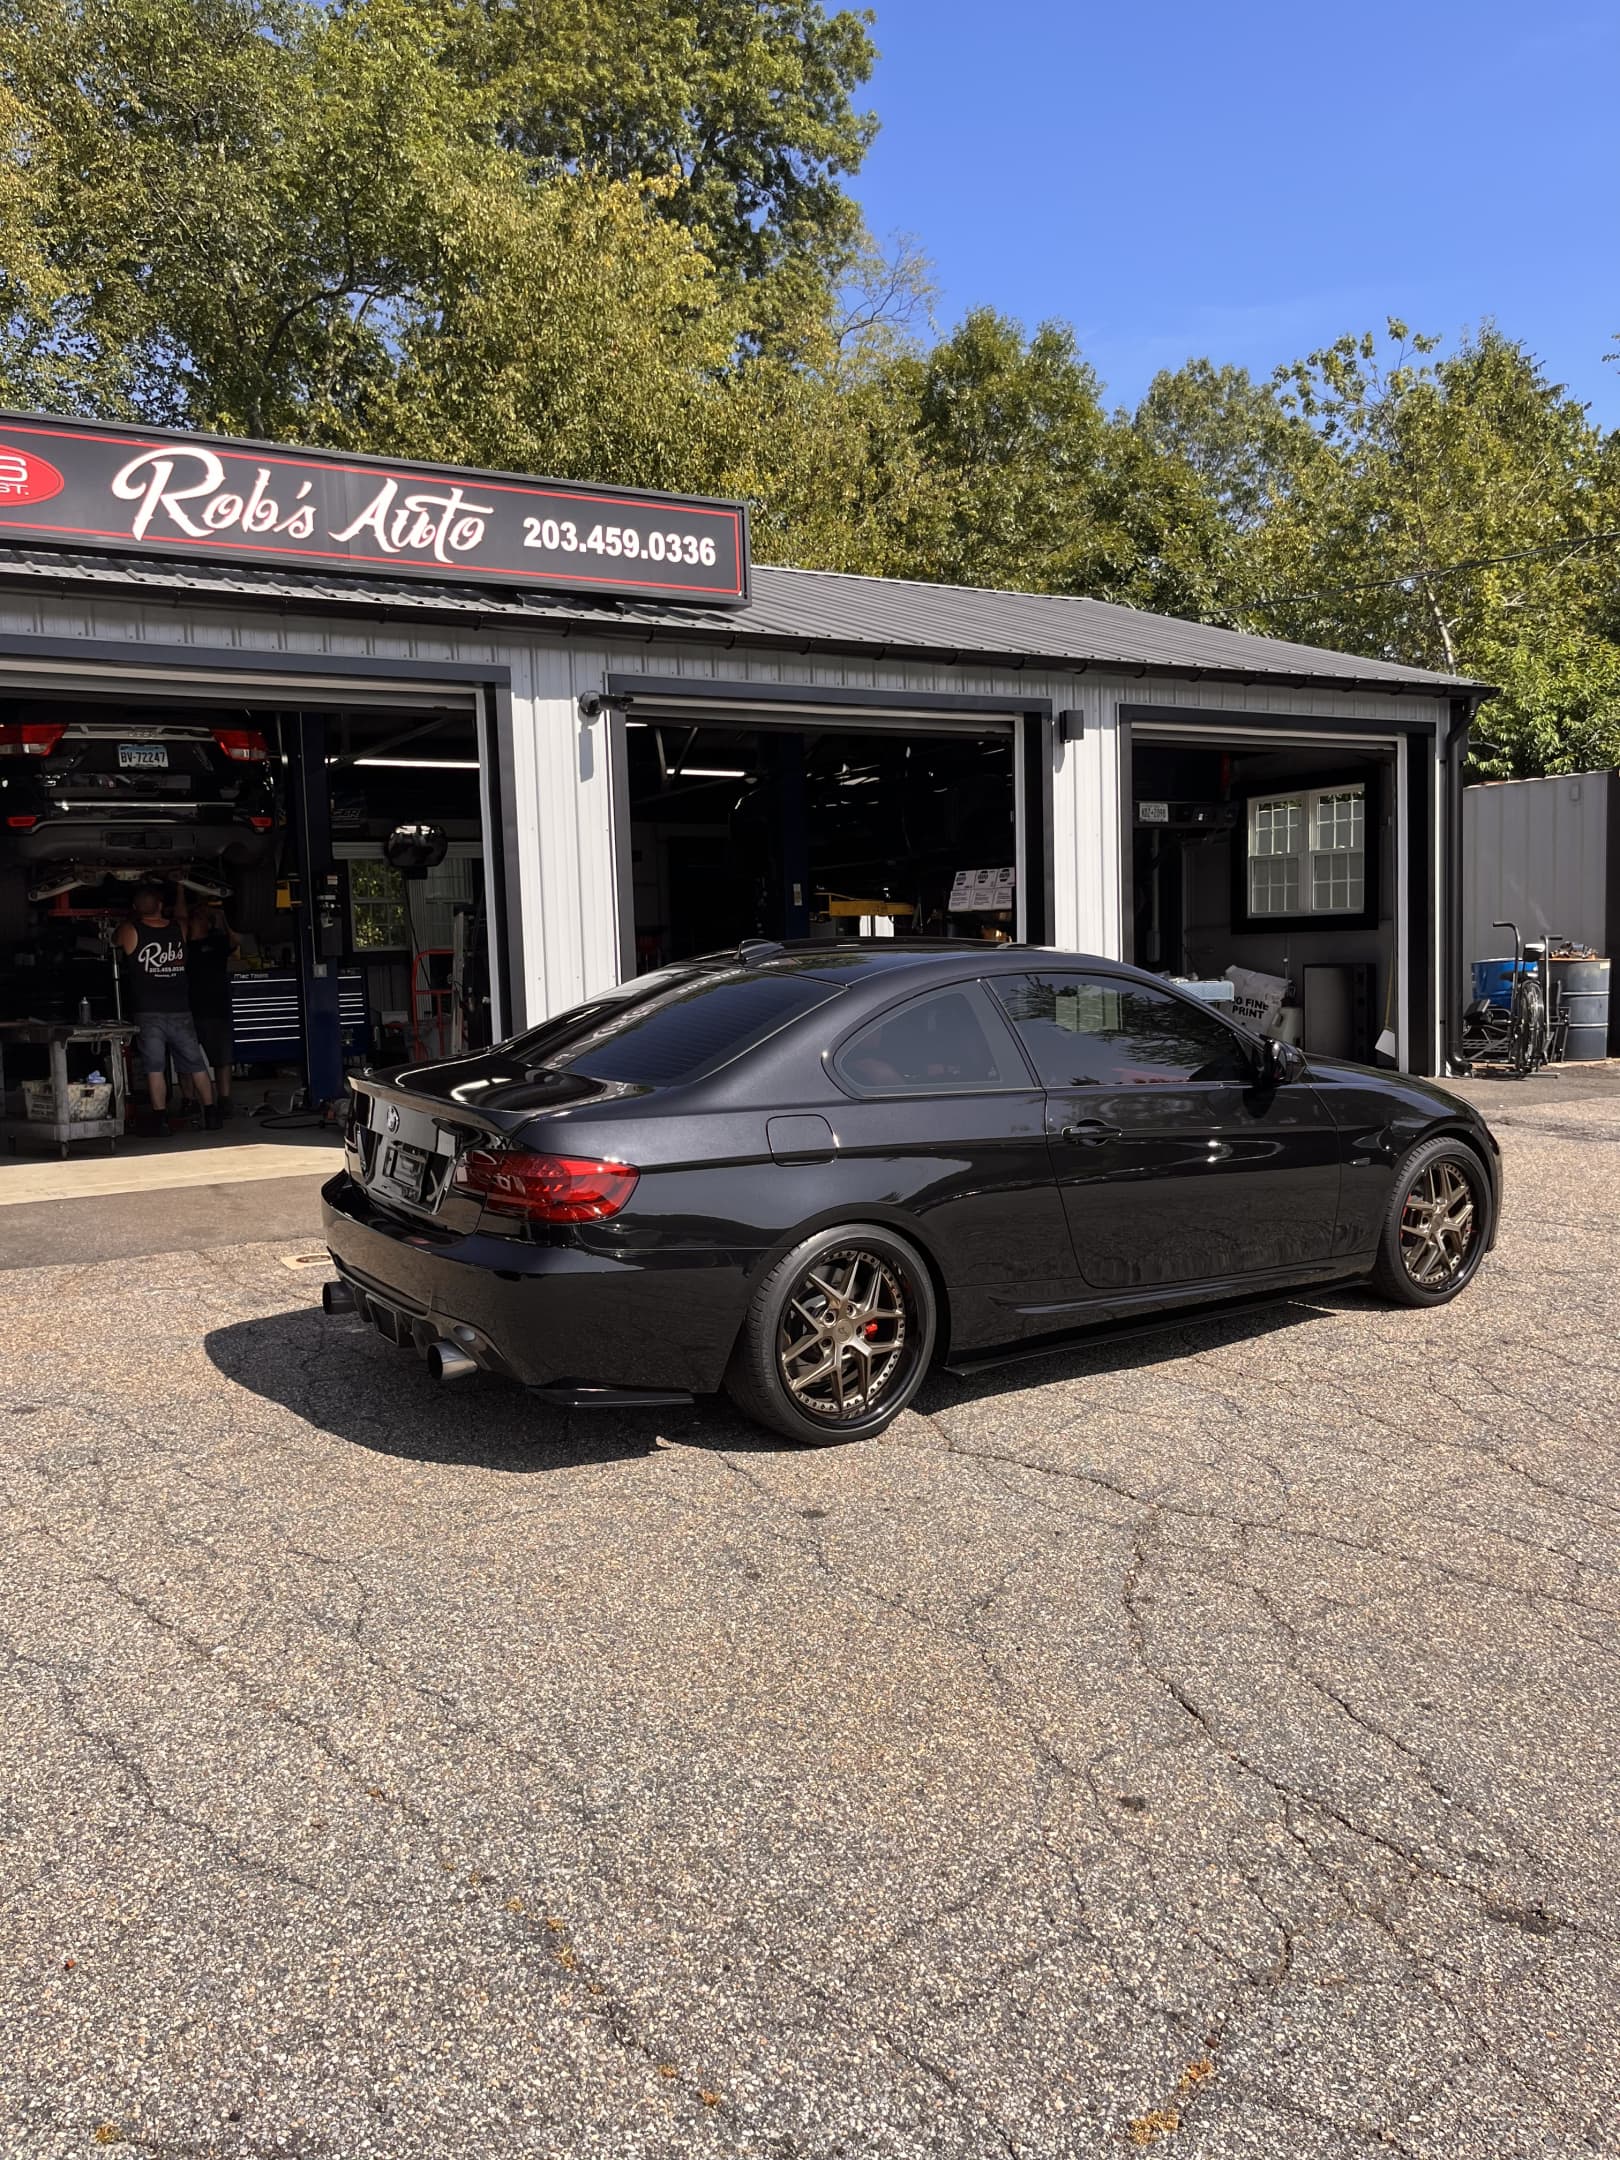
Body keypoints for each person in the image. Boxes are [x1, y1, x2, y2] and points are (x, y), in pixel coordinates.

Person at [115, 882, 220, 1133]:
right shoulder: (179, 927)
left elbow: (114, 939)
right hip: (180, 1010)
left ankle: (160, 1120)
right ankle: (212, 1115)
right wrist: (181, 887)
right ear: (161, 906)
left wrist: (132, 916)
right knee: (196, 1064)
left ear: (136, 909)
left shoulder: (131, 930)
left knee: (154, 1068)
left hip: (148, 1012)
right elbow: (183, 915)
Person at [185, 900, 239, 1113]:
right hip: (187, 1011)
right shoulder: (184, 945)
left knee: (222, 1059)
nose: (196, 920)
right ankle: (188, 1100)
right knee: (185, 1061)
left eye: (200, 917)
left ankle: (224, 1100)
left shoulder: (216, 942)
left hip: (216, 1010)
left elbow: (236, 939)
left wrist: (223, 915)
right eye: (194, 917)